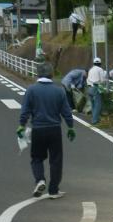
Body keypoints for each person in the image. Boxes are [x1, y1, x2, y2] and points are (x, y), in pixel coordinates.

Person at [17, 62, 76, 199]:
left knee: (37, 158)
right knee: (56, 160)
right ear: (52, 74)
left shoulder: (31, 90)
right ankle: (54, 190)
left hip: (38, 129)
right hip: (54, 129)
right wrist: (70, 127)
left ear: (37, 73)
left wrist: (21, 125)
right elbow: (66, 112)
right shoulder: (59, 90)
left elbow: (25, 110)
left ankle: (40, 180)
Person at [86, 57, 107, 125]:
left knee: (93, 104)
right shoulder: (100, 69)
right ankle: (94, 121)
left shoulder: (91, 69)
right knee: (98, 105)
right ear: (100, 63)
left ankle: (93, 118)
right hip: (95, 87)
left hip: (89, 87)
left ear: (94, 63)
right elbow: (102, 80)